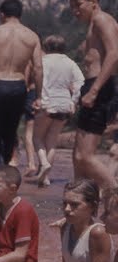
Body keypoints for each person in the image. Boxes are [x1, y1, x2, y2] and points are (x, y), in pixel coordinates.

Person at [0, 0, 43, 168]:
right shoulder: (32, 36)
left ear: (2, 14)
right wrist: (39, 96)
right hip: (18, 87)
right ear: (20, 14)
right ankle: (4, 171)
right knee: (9, 132)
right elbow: (38, 69)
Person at [69, 0, 118, 190]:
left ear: (94, 2)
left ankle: (115, 195)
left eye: (78, 5)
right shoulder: (93, 24)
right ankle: (79, 204)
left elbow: (114, 54)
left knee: (85, 157)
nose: (74, 10)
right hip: (93, 86)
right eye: (72, 6)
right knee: (77, 157)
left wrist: (95, 90)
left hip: (100, 87)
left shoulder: (101, 20)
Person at [33, 35, 84, 186]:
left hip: (47, 104)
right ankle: (45, 177)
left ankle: (43, 163)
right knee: (51, 141)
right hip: (64, 104)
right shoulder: (70, 63)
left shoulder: (43, 61)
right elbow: (80, 83)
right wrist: (73, 101)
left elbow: (40, 79)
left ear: (46, 47)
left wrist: (42, 100)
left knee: (37, 138)